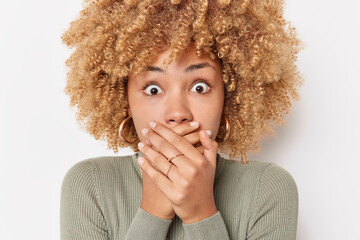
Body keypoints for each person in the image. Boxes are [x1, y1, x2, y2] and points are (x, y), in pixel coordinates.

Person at [60, 0, 303, 239]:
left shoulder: (268, 188)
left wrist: (200, 214)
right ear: (126, 103)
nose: (178, 113)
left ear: (229, 98)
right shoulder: (89, 185)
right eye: (153, 89)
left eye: (199, 87)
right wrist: (152, 213)